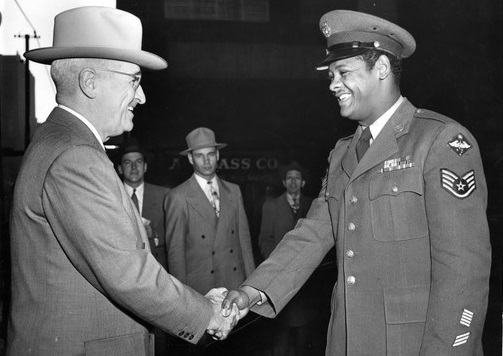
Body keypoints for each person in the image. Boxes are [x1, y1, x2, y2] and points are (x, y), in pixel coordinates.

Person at [222, 9, 492, 355]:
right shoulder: (342, 154)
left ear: (381, 68)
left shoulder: (439, 142)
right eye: (331, 74)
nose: (333, 84)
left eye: (343, 72)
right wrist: (251, 291)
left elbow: (463, 273)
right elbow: (312, 234)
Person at [7, 7, 239, 355]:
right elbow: (127, 274)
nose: (142, 96)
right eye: (134, 80)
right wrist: (207, 314)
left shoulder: (60, 143)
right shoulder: (75, 157)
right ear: (90, 82)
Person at [164, 127, 255, 295]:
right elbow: (176, 255)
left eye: (211, 154)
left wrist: (251, 288)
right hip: (201, 288)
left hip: (234, 283)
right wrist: (182, 298)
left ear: (218, 155)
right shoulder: (178, 197)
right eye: (200, 155)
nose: (206, 161)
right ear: (191, 159)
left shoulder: (234, 191)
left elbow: (245, 243)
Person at [258, 161, 314, 356]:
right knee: (281, 330)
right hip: (280, 279)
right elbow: (264, 240)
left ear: (303, 182)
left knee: (304, 331)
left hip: (307, 280)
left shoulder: (314, 205)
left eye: (297, 178)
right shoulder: (271, 206)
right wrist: (278, 263)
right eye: (289, 178)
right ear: (283, 182)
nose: (293, 181)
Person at [118, 138, 170, 270]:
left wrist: (155, 234)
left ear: (145, 167)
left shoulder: (165, 196)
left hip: (158, 268)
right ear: (120, 169)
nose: (134, 167)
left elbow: (176, 238)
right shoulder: (110, 196)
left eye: (139, 162)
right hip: (122, 268)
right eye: (128, 162)